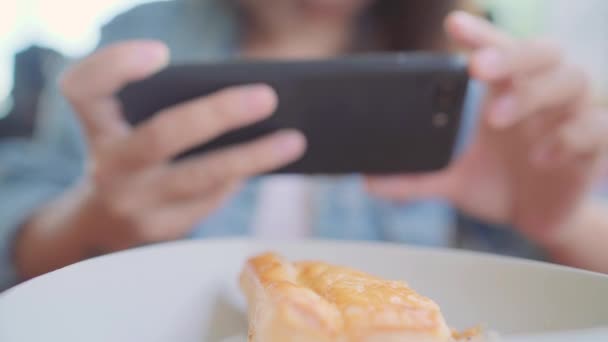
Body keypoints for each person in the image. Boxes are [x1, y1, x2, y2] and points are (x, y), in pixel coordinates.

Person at [1, 0, 607, 291]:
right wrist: (92, 221)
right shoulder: (139, 38)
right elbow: (21, 217)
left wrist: (559, 222)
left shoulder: (476, 72)